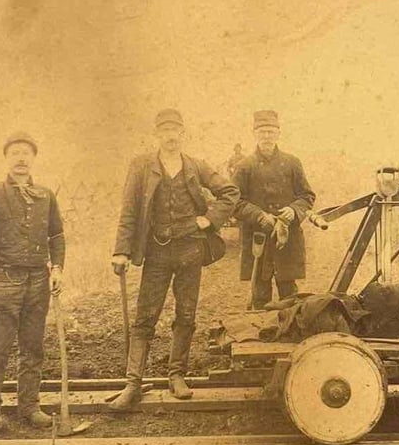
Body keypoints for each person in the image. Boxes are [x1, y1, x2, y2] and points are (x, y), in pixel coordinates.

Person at [108, 109, 240, 408]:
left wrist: (209, 219)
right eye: (165, 130)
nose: (170, 136)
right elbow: (129, 210)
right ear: (157, 134)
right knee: (145, 316)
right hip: (156, 251)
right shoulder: (141, 166)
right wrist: (121, 250)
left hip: (190, 250)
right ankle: (133, 383)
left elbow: (230, 192)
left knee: (186, 313)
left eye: (175, 130)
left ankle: (177, 374)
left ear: (183, 134)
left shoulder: (195, 165)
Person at [0, 131, 90, 436]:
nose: (21, 158)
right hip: (2, 280)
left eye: (26, 153)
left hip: (37, 280)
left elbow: (57, 236)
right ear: (6, 158)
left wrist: (57, 269)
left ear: (34, 158)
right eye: (15, 153)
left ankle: (29, 406)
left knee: (33, 347)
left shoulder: (46, 196)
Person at [232, 110, 317, 309]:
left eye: (271, 132)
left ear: (278, 133)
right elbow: (234, 201)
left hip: (286, 237)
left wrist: (294, 210)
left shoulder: (292, 163)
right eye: (262, 132)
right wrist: (259, 215)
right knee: (260, 293)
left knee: (289, 294)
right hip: (258, 238)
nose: (267, 136)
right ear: (254, 134)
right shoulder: (244, 166)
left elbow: (307, 196)